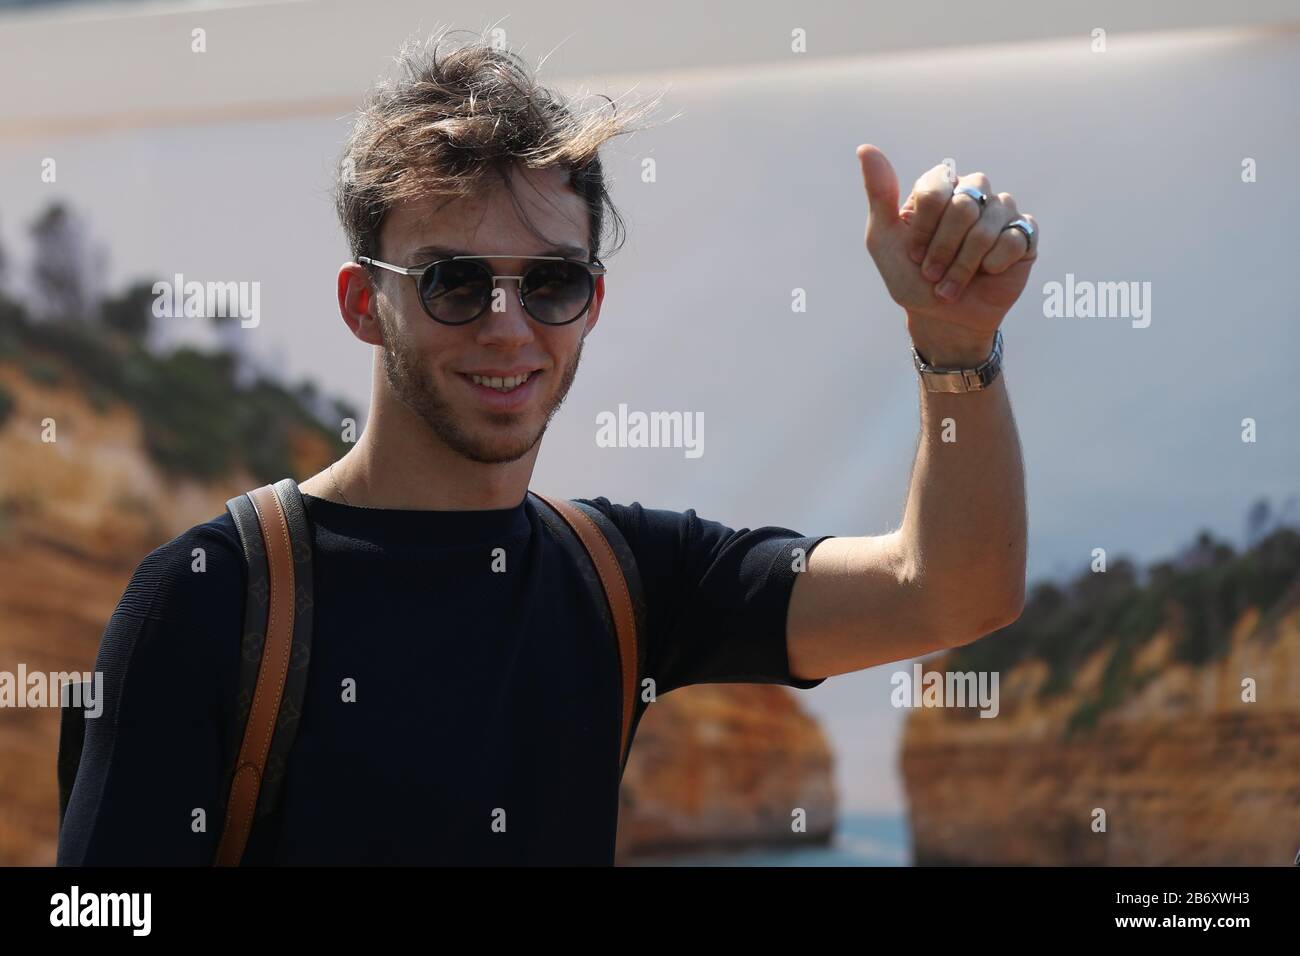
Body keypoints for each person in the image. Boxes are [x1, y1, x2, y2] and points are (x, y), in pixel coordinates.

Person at [58, 28, 1033, 866]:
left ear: (591, 302)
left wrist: (954, 348)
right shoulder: (209, 595)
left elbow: (952, 590)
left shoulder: (618, 577)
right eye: (454, 280)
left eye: (551, 283)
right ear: (366, 303)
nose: (507, 325)